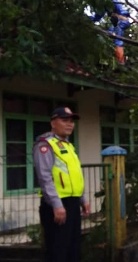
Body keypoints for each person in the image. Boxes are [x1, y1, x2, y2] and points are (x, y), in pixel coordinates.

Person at [33, 107, 90, 262]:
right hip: (56, 205)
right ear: (53, 123)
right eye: (65, 120)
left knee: (73, 247)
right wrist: (57, 205)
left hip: (72, 203)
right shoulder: (45, 145)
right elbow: (45, 177)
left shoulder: (68, 146)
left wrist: (82, 199)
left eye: (71, 121)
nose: (69, 124)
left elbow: (74, 176)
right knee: (57, 250)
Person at [90, 0, 131, 64]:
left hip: (122, 21)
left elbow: (123, 13)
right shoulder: (103, 6)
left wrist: (116, 16)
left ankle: (121, 60)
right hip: (116, 23)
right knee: (109, 33)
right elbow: (97, 17)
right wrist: (85, 18)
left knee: (117, 38)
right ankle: (113, 57)